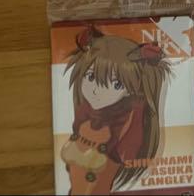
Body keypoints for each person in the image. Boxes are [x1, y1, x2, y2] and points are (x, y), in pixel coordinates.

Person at [60, 26, 170, 194]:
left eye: (116, 84)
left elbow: (128, 154)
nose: (96, 91)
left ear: (130, 91)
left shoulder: (127, 121)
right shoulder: (84, 111)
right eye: (90, 77)